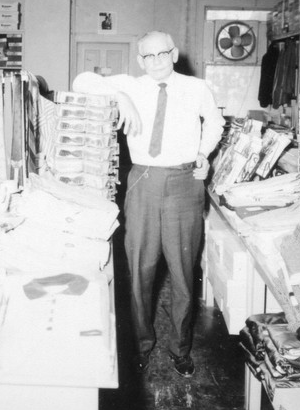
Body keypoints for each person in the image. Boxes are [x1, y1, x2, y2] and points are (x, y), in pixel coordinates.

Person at [72, 31, 224, 378]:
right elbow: (82, 81)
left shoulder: (195, 88)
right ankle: (141, 344)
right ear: (140, 60)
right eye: (148, 57)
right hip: (142, 181)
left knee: (184, 272)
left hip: (185, 183)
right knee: (139, 268)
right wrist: (120, 94)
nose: (155, 62)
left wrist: (204, 153)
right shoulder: (132, 84)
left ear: (174, 54)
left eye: (162, 54)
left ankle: (180, 349)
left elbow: (215, 122)